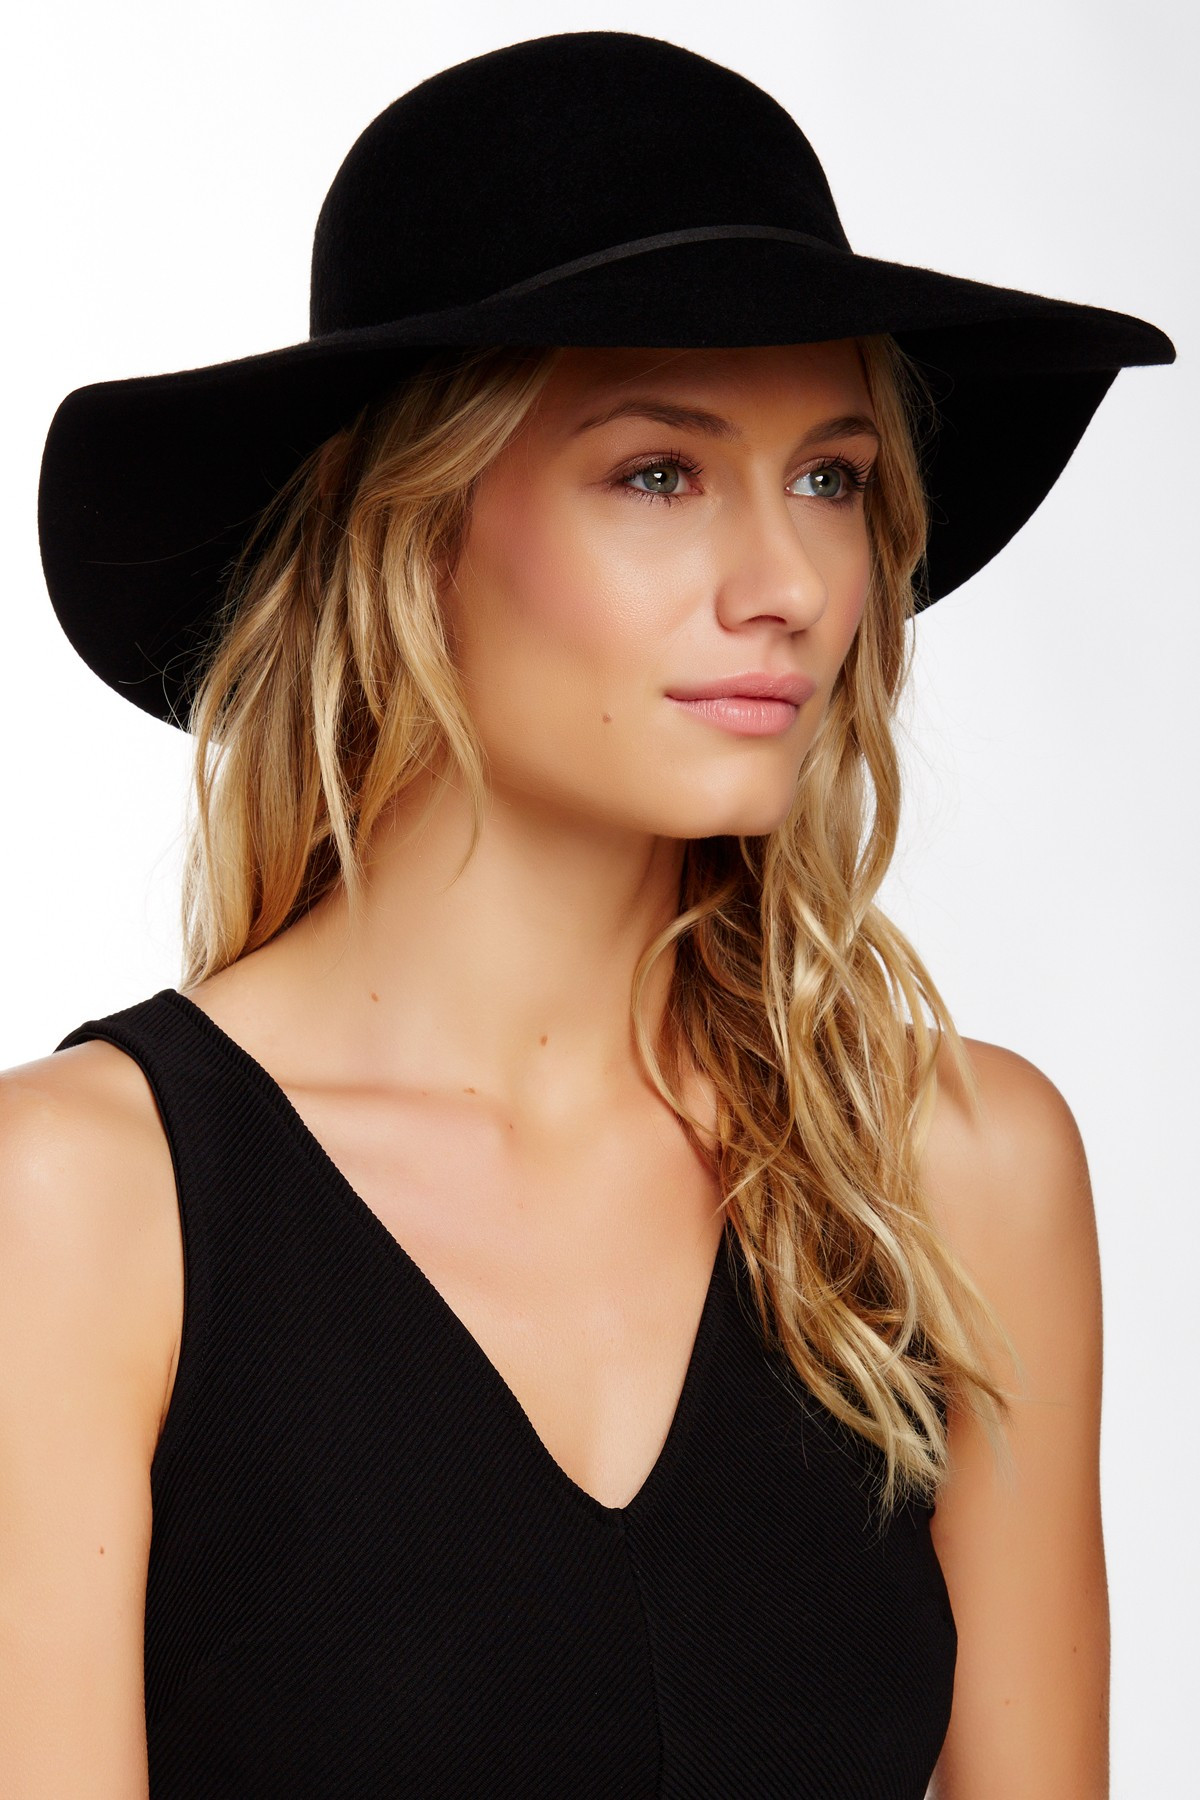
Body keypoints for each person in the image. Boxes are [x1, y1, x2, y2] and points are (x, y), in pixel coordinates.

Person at [2, 28, 1174, 1800]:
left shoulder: (958, 1176)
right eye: (659, 472)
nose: (789, 587)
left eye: (832, 478)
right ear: (403, 527)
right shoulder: (84, 1208)